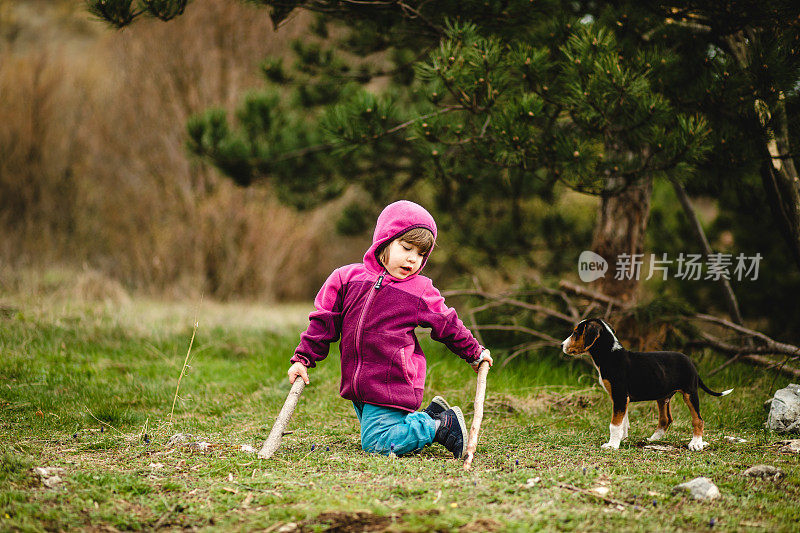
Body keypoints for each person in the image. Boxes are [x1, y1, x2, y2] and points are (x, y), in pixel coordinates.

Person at [287, 200, 493, 458]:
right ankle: (430, 416)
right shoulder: (347, 278)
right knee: (381, 432)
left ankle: (442, 425)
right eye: (406, 248)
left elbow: (447, 323)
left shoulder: (419, 290)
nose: (412, 259)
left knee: (378, 443)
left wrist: (474, 352)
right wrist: (303, 359)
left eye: (421, 254)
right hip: (359, 384)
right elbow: (323, 323)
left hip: (391, 381)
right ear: (384, 241)